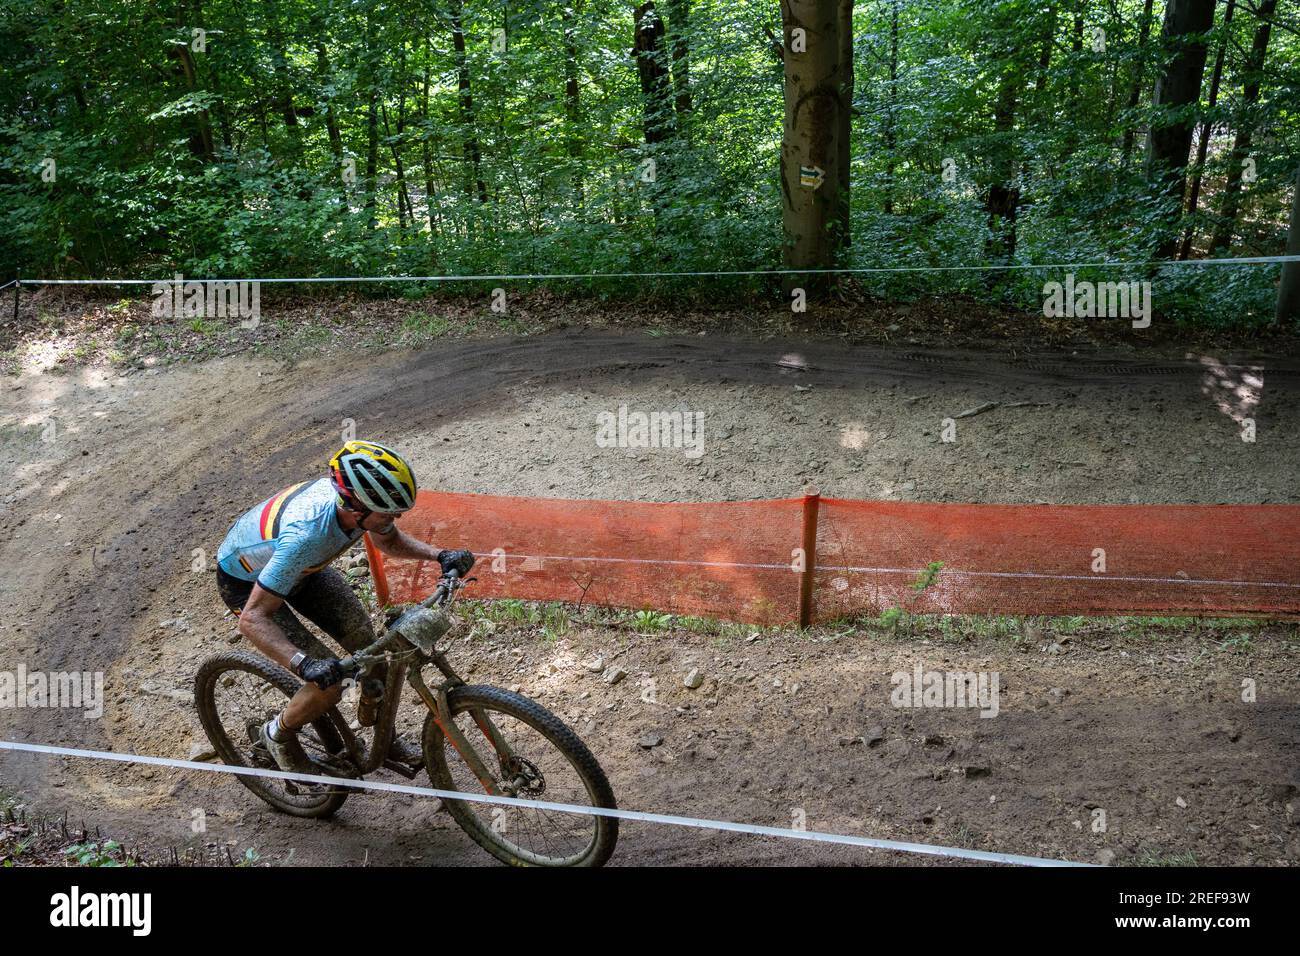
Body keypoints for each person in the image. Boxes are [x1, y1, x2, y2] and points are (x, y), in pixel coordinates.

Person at [214, 440, 474, 775]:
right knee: (330, 682)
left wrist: (440, 556)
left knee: (372, 648)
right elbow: (253, 619)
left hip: (305, 571)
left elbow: (388, 540)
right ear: (356, 508)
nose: (394, 518)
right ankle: (276, 734)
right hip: (248, 587)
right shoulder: (306, 536)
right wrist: (303, 664)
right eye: (387, 512)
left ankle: (382, 735)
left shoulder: (359, 509)